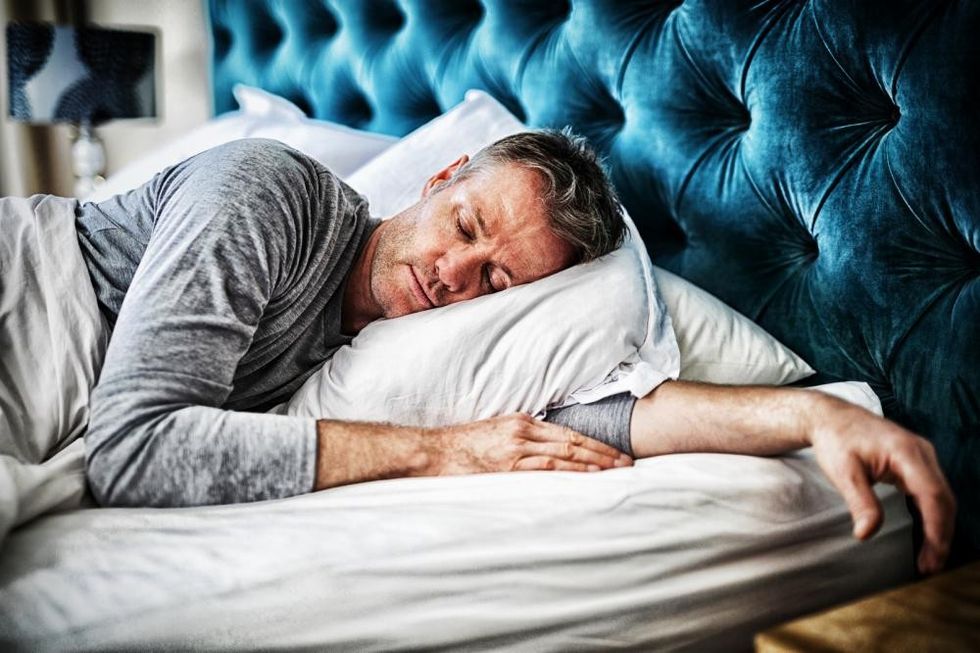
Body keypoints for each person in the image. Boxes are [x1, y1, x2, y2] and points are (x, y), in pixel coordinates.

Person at [71, 132, 952, 575]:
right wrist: (438, 453)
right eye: (464, 225)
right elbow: (133, 450)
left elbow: (602, 416)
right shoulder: (269, 196)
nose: (454, 275)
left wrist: (814, 412)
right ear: (439, 176)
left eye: (497, 279)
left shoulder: (397, 353)